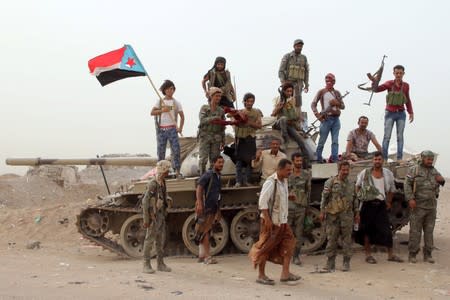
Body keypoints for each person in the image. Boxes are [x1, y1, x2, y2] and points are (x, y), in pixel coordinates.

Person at [249, 159, 301, 285]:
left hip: (282, 221)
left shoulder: (284, 181)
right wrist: (267, 219)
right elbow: (262, 202)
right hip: (272, 222)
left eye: (291, 170)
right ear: (280, 169)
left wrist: (289, 196)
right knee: (266, 247)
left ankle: (285, 273)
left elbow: (278, 196)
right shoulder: (271, 182)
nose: (290, 172)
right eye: (288, 170)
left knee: (289, 243)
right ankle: (261, 275)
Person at [354, 152, 404, 264]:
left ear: (383, 161)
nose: (377, 161)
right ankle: (368, 255)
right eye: (375, 159)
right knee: (366, 230)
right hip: (367, 205)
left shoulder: (387, 174)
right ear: (372, 161)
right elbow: (357, 186)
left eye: (379, 159)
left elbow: (391, 189)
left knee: (386, 229)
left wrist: (389, 201)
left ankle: (390, 255)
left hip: (380, 205)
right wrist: (360, 197)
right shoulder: (365, 173)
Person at [404, 151, 445, 263]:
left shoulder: (434, 171)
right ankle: (412, 254)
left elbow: (441, 181)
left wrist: (441, 181)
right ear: (422, 158)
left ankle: (428, 254)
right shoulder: (414, 169)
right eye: (428, 159)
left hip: (431, 207)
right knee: (415, 232)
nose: (430, 161)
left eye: (431, 159)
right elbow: (407, 184)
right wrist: (410, 198)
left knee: (429, 231)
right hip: (418, 206)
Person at [319, 161, 358, 272]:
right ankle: (330, 262)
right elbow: (324, 198)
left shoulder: (351, 184)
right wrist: (322, 211)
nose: (345, 172)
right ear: (339, 170)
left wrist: (357, 213)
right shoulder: (330, 182)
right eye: (343, 170)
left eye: (347, 170)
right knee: (332, 239)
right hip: (333, 216)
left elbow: (355, 200)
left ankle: (346, 262)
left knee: (347, 240)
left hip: (347, 216)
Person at [372, 65, 414, 160]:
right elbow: (377, 89)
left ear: (403, 74)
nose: (398, 75)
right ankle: (384, 158)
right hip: (390, 113)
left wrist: (411, 112)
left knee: (400, 136)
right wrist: (374, 82)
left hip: (401, 113)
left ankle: (399, 158)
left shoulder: (406, 86)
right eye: (397, 73)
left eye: (400, 73)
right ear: (394, 73)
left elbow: (407, 99)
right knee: (387, 136)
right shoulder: (389, 83)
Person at [142, 160, 173, 274]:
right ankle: (146, 264)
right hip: (153, 216)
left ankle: (160, 263)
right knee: (149, 240)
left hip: (160, 215)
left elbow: (164, 196)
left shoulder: (162, 182)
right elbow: (145, 202)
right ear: (163, 170)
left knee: (160, 240)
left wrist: (167, 200)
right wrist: (146, 220)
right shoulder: (153, 183)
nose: (168, 173)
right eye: (167, 170)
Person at [151, 80, 185, 178]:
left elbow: (182, 116)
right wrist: (162, 110)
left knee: (176, 150)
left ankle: (177, 170)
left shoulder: (176, 102)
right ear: (164, 90)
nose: (170, 91)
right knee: (161, 151)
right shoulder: (160, 101)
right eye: (168, 89)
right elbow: (152, 112)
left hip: (172, 129)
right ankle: (160, 172)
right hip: (161, 130)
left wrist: (180, 128)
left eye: (172, 89)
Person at [198, 87, 235, 175]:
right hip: (205, 136)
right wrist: (213, 118)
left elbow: (222, 126)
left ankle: (213, 177)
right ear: (211, 96)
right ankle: (202, 177)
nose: (218, 98)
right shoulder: (204, 108)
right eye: (216, 96)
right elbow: (202, 120)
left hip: (216, 137)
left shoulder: (221, 111)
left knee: (214, 159)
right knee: (203, 159)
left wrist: (223, 140)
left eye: (219, 96)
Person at [195, 155, 225, 264]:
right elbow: (199, 187)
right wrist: (199, 203)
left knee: (204, 231)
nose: (221, 165)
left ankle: (202, 256)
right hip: (206, 207)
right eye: (219, 162)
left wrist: (218, 210)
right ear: (213, 163)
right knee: (205, 231)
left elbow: (217, 195)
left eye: (222, 162)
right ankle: (207, 257)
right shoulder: (208, 174)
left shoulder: (217, 176)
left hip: (212, 207)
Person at [311, 73, 345, 163]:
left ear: (334, 82)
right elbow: (313, 104)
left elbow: (343, 106)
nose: (329, 83)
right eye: (327, 81)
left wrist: (337, 103)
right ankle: (318, 159)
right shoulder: (321, 92)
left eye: (331, 81)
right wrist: (317, 115)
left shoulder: (337, 93)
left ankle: (335, 159)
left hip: (336, 119)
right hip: (325, 119)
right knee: (322, 141)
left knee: (335, 141)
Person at [272, 82, 310, 162]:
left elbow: (294, 116)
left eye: (291, 91)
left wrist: (298, 119)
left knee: (300, 140)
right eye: (288, 91)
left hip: (289, 125)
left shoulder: (292, 100)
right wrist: (279, 107)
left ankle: (307, 160)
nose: (289, 93)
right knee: (283, 119)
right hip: (279, 123)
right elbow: (273, 114)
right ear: (284, 91)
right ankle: (285, 137)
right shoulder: (278, 99)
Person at [287, 153, 311, 265]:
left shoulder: (306, 174)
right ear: (293, 161)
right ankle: (286, 255)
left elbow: (308, 191)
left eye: (301, 161)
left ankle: (296, 256)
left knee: (299, 233)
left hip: (301, 207)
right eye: (297, 161)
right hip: (288, 207)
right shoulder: (287, 174)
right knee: (287, 232)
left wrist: (307, 207)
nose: (299, 163)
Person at [234, 93, 263, 187]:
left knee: (250, 162)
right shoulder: (240, 112)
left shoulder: (256, 112)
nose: (250, 103)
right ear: (245, 101)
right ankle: (238, 181)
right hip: (241, 139)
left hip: (250, 138)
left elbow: (259, 125)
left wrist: (248, 122)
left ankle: (247, 180)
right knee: (239, 162)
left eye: (252, 101)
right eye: (248, 101)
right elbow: (234, 123)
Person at [278, 39, 309, 109]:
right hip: (288, 83)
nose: (299, 47)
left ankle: (297, 118)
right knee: (285, 102)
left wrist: (306, 85)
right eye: (298, 46)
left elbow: (306, 72)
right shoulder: (287, 56)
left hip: (299, 85)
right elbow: (281, 71)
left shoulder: (304, 58)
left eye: (301, 46)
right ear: (294, 46)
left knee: (297, 104)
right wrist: (283, 82)